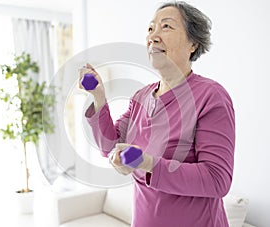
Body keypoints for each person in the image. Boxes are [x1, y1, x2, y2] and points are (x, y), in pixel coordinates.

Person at [79, 1, 235, 226]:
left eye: (167, 27)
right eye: (151, 28)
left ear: (193, 43)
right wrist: (99, 97)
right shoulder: (141, 97)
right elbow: (109, 146)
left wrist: (148, 163)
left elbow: (217, 179)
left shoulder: (211, 96)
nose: (153, 36)